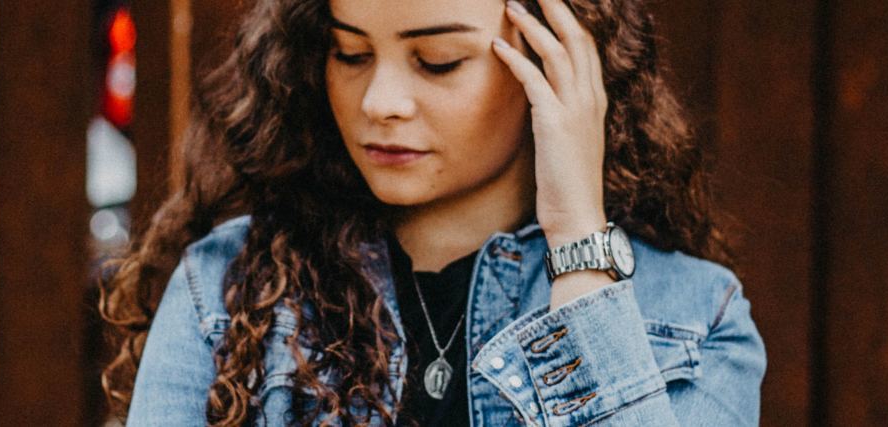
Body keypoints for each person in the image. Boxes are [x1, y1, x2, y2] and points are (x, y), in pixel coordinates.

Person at [99, 0, 766, 425]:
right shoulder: (222, 291)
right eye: (352, 53)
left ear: (556, 59)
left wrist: (580, 251)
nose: (381, 100)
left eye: (438, 62)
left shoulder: (693, 317)